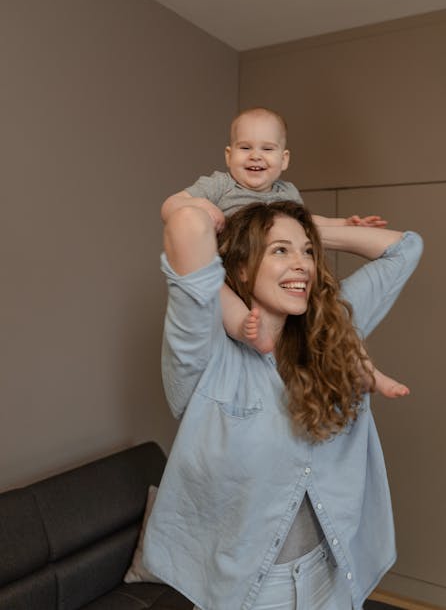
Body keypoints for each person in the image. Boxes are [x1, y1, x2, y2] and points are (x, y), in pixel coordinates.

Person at [143, 201, 423, 610]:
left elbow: (406, 248)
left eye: (308, 252)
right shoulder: (205, 356)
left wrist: (310, 230)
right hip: (253, 591)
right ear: (240, 269)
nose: (303, 265)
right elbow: (186, 225)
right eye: (279, 251)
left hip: (331, 572)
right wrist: (227, 218)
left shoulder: (332, 326)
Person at [161, 106, 408, 399]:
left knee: (330, 318)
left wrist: (345, 224)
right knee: (224, 299)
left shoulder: (286, 193)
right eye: (245, 147)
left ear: (284, 158)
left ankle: (366, 369)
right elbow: (171, 206)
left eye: (267, 148)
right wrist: (202, 207)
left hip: (268, 276)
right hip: (227, 271)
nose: (255, 155)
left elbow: (311, 224)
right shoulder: (219, 185)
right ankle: (246, 330)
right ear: (229, 155)